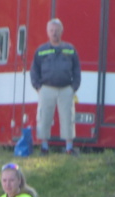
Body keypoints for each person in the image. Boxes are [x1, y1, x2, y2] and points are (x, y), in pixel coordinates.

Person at [30, 18, 80, 155]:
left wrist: (73, 87)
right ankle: (44, 147)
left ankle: (69, 148)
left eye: (57, 30)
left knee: (68, 117)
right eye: (51, 30)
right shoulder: (41, 50)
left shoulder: (70, 49)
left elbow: (76, 69)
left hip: (66, 89)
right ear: (47, 32)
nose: (54, 33)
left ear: (61, 31)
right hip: (46, 88)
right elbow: (34, 70)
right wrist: (38, 87)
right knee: (44, 118)